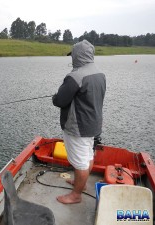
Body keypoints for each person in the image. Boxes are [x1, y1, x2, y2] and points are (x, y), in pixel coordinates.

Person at [52, 40, 106, 204]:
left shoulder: (75, 76)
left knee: (80, 162)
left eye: (73, 56)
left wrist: (55, 97)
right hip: (93, 124)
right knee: (87, 156)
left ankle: (76, 195)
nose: (72, 59)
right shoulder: (99, 73)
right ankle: (79, 185)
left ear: (77, 56)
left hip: (78, 127)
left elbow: (60, 100)